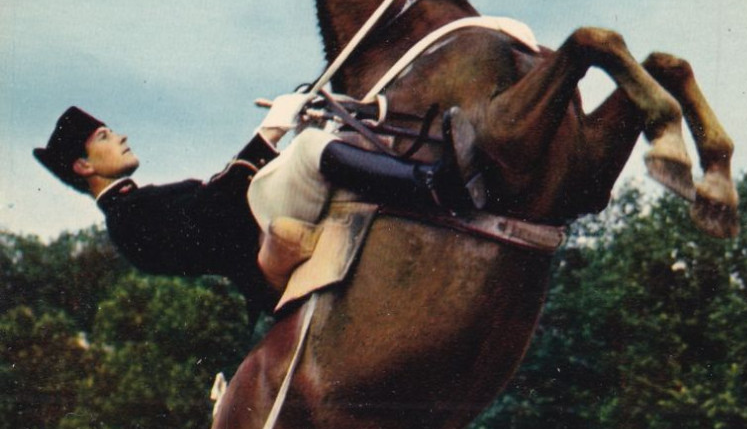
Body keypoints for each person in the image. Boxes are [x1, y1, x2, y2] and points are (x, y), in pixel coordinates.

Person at [33, 106, 475, 325]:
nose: (122, 136)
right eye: (105, 136)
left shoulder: (137, 204)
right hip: (262, 261)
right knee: (307, 150)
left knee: (327, 138)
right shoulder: (128, 221)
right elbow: (215, 212)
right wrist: (269, 135)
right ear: (83, 167)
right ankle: (435, 187)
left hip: (259, 227)